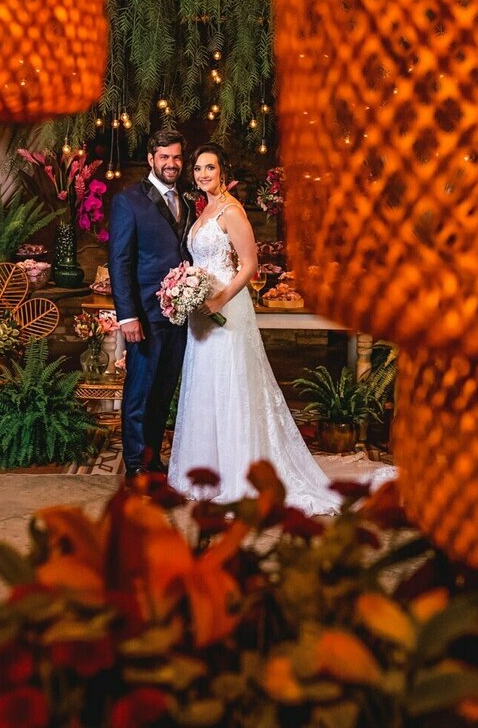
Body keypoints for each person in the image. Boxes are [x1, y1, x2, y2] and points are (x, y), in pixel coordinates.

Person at [168, 144, 393, 514]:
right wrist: (187, 291)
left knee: (231, 384)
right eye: (197, 168)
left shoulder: (231, 209)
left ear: (224, 171)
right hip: (202, 312)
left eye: (210, 167)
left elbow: (250, 264)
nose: (202, 174)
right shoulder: (204, 210)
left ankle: (239, 473)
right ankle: (206, 470)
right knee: (205, 383)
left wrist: (220, 299)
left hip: (226, 308)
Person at [108, 129, 193, 479]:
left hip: (179, 316)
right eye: (164, 157)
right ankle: (134, 465)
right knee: (140, 394)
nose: (171, 164)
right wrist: (127, 316)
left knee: (162, 393)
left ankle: (152, 458)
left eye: (176, 158)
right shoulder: (129, 201)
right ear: (150, 159)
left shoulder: (186, 202)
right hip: (143, 314)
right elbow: (119, 261)